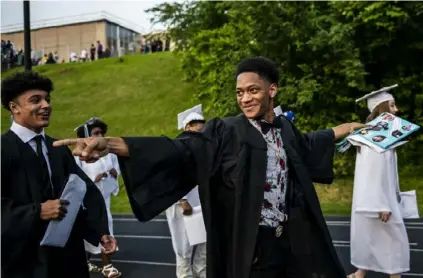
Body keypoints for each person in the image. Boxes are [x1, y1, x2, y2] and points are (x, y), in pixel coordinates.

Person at [54, 57, 364, 278]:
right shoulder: (228, 131)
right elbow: (182, 148)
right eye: (240, 92)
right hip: (249, 245)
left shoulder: (284, 129)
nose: (245, 98)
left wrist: (347, 127)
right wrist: (109, 143)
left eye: (253, 90)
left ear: (272, 90)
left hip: (290, 241)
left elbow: (310, 144)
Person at [1, 71, 117, 278]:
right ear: (14, 107)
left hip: (67, 256)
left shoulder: (58, 149)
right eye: (35, 100)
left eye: (47, 99)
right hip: (24, 258)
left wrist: (100, 231)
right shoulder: (3, 149)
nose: (46, 105)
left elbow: (84, 190)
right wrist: (37, 211)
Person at [348, 86, 409, 278]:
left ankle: (360, 274)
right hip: (379, 200)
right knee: (393, 240)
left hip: (381, 198)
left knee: (373, 236)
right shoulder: (373, 140)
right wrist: (382, 204)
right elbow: (373, 173)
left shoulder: (380, 137)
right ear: (381, 108)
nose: (396, 110)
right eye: (392, 105)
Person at [74, 117, 122, 278]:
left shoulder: (108, 153)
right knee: (92, 230)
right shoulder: (79, 155)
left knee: (104, 228)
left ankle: (91, 262)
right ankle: (106, 265)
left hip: (105, 199)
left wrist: (114, 173)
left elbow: (116, 167)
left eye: (101, 132)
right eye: (96, 133)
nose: (100, 135)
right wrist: (93, 180)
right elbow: (76, 177)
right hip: (88, 201)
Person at [166, 105, 207, 278]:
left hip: (200, 202)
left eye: (201, 125)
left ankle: (202, 274)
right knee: (184, 247)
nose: (199, 129)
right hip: (181, 204)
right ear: (187, 127)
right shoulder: (175, 149)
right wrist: (182, 200)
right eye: (195, 125)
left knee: (204, 244)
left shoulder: (203, 148)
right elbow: (169, 176)